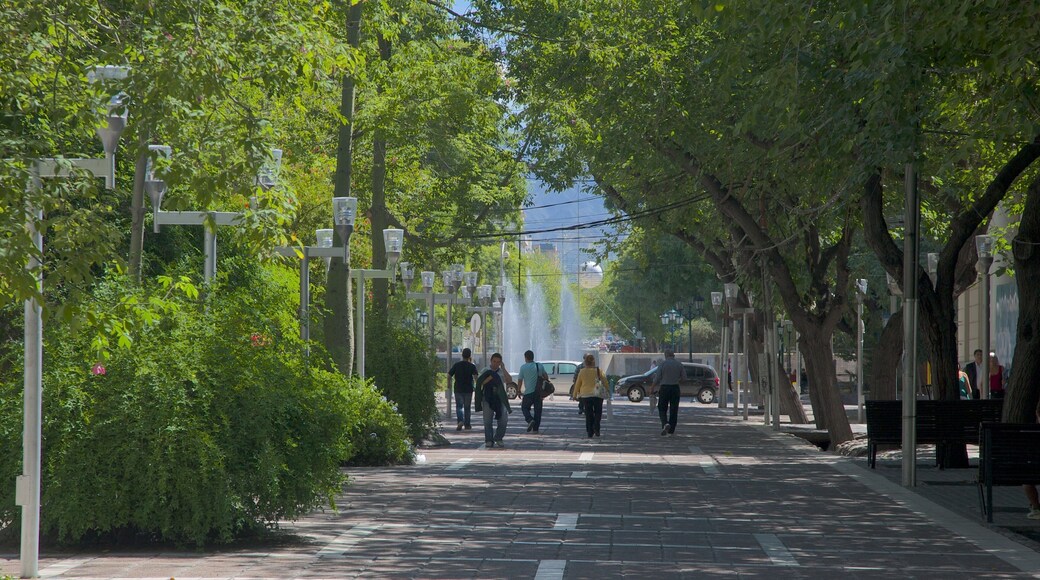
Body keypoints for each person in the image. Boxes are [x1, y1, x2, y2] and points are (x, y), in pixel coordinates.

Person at [476, 353, 510, 448]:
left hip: (500, 399)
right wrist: (491, 377)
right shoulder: (485, 370)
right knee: (487, 421)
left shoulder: (501, 371)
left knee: (503, 420)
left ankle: (498, 438)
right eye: (494, 361)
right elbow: (480, 383)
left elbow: (509, 380)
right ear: (491, 361)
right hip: (487, 398)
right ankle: (489, 440)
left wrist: (503, 368)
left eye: (498, 362)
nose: (496, 364)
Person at [651, 349, 688, 436]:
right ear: (673, 355)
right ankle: (671, 429)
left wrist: (652, 388)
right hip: (675, 388)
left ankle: (665, 423)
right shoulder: (679, 364)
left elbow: (657, 378)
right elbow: (684, 378)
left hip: (664, 388)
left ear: (665, 355)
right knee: (674, 409)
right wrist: (677, 380)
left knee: (662, 407)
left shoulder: (662, 364)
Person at [572, 353, 608, 438]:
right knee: (598, 412)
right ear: (593, 361)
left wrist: (574, 394)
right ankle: (596, 427)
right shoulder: (599, 371)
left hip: (585, 395)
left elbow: (577, 384)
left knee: (588, 414)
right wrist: (608, 391)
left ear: (585, 362)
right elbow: (605, 381)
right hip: (597, 394)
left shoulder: (582, 371)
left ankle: (590, 432)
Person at [516, 350, 549, 433]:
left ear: (525, 357)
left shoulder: (523, 367)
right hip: (538, 392)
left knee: (524, 407)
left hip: (528, 393)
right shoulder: (539, 366)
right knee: (538, 410)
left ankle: (530, 419)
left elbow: (520, 380)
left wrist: (518, 391)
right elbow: (546, 377)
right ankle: (536, 429)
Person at [448, 348, 479, 431]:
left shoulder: (457, 365)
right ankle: (467, 424)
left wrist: (449, 384)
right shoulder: (472, 366)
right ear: (470, 355)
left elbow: (449, 375)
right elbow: (476, 377)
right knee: (467, 407)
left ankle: (460, 421)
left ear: (462, 355)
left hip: (458, 388)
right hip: (468, 389)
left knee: (459, 406)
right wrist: (478, 387)